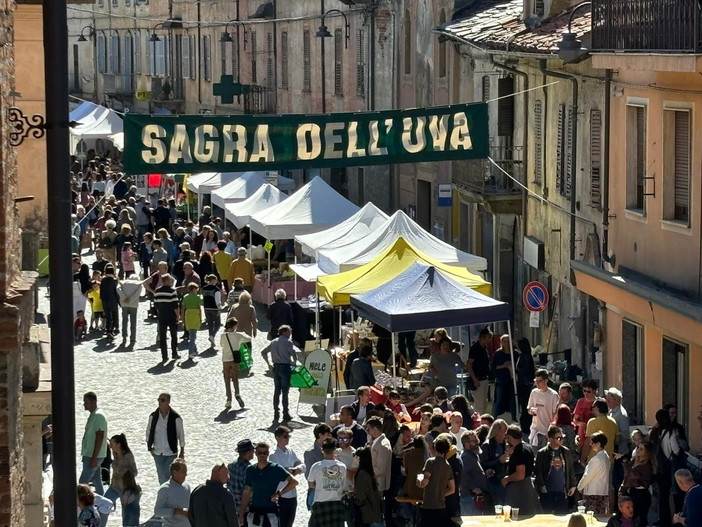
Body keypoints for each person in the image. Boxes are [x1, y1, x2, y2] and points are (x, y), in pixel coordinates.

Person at [238, 441, 298, 527]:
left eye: (265, 453)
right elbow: (247, 492)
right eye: (259, 453)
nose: (262, 455)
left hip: (270, 513)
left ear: (268, 453)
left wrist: (279, 494)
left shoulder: (276, 468)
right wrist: (241, 514)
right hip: (255, 512)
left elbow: (294, 482)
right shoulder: (250, 469)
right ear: (255, 453)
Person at [651, 407, 686, 527]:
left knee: (663, 496)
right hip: (670, 468)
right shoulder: (670, 433)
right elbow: (675, 451)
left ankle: (663, 520)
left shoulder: (656, 432)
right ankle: (677, 520)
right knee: (677, 495)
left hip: (659, 468)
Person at [261, 325, 300, 422]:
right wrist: (294, 362)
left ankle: (276, 413)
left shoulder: (274, 342)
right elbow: (293, 354)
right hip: (285, 368)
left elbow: (263, 352)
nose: (290, 334)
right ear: (284, 332)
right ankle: (285, 413)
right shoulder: (288, 342)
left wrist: (268, 364)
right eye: (289, 332)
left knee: (277, 391)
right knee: (285, 392)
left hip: (276, 367)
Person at [534, 426, 577, 514]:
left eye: (562, 437)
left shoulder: (566, 452)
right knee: (547, 518)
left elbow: (570, 469)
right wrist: (542, 486)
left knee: (562, 518)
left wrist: (573, 485)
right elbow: (538, 472)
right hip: (547, 492)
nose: (561, 440)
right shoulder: (542, 453)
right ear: (550, 439)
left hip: (562, 492)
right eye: (558, 438)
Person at [146, 393, 186, 485]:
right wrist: (149, 446)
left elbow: (181, 434)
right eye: (159, 399)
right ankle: (166, 495)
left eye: (162, 400)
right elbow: (148, 431)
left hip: (170, 452)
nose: (160, 402)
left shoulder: (175, 418)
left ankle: (169, 495)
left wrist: (182, 451)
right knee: (161, 476)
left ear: (168, 402)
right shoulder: (153, 416)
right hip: (157, 452)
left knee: (168, 476)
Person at [501, 424, 541, 515]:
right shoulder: (528, 447)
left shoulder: (520, 451)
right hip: (528, 486)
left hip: (519, 489)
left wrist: (506, 479)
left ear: (510, 437)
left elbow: (520, 474)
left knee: (518, 516)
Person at [307, 438, 347, 527]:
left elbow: (311, 485)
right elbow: (343, 486)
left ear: (322, 450)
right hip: (336, 504)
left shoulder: (316, 467)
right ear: (335, 450)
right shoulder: (342, 467)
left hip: (320, 503)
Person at [269, 426, 305, 527]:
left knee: (290, 522)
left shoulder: (290, 451)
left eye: (288, 436)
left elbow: (302, 465)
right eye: (285, 436)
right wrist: (292, 470)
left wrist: (296, 469)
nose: (288, 438)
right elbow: (280, 473)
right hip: (282, 495)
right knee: (282, 523)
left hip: (293, 495)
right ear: (277, 438)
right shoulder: (273, 455)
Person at [416, 434, 455, 525]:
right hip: (441, 507)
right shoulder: (448, 466)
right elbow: (452, 489)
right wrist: (439, 494)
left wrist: (418, 480)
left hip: (428, 506)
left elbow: (424, 483)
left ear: (435, 448)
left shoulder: (430, 462)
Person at [188, 463, 238, 527]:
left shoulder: (197, 490)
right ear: (218, 473)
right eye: (226, 474)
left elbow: (190, 515)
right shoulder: (226, 495)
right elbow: (233, 522)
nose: (228, 477)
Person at [80, 392, 108, 496]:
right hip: (90, 454)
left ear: (93, 402)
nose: (84, 404)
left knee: (83, 481)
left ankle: (79, 505)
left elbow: (99, 437)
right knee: (97, 481)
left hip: (93, 455)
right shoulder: (93, 415)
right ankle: (103, 503)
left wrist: (94, 457)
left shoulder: (99, 416)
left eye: (86, 402)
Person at [220, 317, 251, 409]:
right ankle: (237, 393)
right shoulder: (239, 335)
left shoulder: (223, 336)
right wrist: (242, 334)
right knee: (235, 378)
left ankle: (229, 400)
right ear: (234, 326)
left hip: (225, 359)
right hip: (234, 360)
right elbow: (249, 339)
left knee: (226, 380)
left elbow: (222, 345)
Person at [577, 431, 611, 515]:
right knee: (601, 516)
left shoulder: (596, 459)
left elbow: (587, 476)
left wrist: (580, 487)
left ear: (598, 444)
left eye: (592, 442)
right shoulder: (606, 457)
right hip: (603, 492)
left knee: (591, 517)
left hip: (593, 493)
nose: (590, 444)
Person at [621, 441, 653, 523]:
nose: (638, 450)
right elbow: (627, 476)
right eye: (638, 448)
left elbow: (633, 475)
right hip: (632, 491)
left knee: (640, 518)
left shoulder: (646, 466)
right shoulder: (633, 461)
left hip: (641, 494)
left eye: (641, 449)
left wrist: (626, 465)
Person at [104, 434, 138, 512]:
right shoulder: (114, 453)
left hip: (125, 489)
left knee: (126, 513)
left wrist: (122, 471)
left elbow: (135, 472)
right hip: (114, 486)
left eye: (112, 444)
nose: (110, 446)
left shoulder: (128, 455)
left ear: (118, 445)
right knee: (104, 505)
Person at [605, 387, 630, 494]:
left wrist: (615, 435)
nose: (607, 402)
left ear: (615, 400)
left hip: (620, 452)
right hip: (613, 451)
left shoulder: (621, 414)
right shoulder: (612, 411)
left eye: (608, 400)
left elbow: (625, 434)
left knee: (618, 480)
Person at [527, 368, 560, 448]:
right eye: (536, 381)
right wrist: (531, 411)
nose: (537, 383)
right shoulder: (534, 392)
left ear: (546, 381)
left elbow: (555, 414)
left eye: (539, 381)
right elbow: (529, 408)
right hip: (535, 429)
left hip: (547, 431)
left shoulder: (553, 395)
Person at [154, 458, 191, 527]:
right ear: (174, 472)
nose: (186, 474)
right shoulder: (165, 489)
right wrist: (177, 511)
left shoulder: (187, 486)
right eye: (183, 471)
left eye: (186, 471)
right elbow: (157, 511)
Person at [459, 431, 489, 516]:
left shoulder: (473, 455)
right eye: (474, 441)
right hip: (469, 497)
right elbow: (463, 475)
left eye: (477, 440)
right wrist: (473, 488)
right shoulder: (466, 457)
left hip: (474, 497)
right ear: (466, 444)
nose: (477, 443)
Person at [480, 418, 509, 504]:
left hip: (504, 479)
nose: (506, 434)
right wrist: (499, 461)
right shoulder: (487, 445)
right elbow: (483, 464)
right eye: (504, 430)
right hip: (493, 481)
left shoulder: (505, 444)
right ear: (497, 431)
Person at [582, 398, 619, 464]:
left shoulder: (592, 422)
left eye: (593, 407)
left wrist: (583, 459)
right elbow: (617, 440)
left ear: (597, 408)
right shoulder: (613, 421)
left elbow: (588, 442)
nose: (592, 409)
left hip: (595, 459)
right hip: (609, 459)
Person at [354, 446, 383, 527]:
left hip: (366, 511)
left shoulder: (362, 473)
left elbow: (361, 494)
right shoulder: (369, 472)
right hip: (373, 509)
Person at [490, 335, 517, 420]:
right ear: (501, 343)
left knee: (513, 400)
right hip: (501, 380)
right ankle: (493, 418)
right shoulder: (498, 353)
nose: (506, 343)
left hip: (512, 381)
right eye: (504, 341)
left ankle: (514, 418)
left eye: (508, 341)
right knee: (498, 400)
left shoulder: (515, 353)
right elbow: (493, 367)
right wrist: (504, 366)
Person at [154, 274, 180, 362]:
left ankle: (164, 356)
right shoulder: (172, 291)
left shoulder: (157, 291)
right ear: (166, 281)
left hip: (161, 316)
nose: (171, 282)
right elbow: (175, 305)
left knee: (162, 336)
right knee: (173, 335)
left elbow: (156, 304)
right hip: (171, 316)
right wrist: (178, 316)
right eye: (170, 280)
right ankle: (174, 353)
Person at [466, 327, 492, 413]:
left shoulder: (484, 348)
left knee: (484, 404)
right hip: (478, 379)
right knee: (479, 406)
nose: (489, 340)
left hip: (484, 378)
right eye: (488, 338)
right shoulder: (475, 348)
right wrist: (474, 379)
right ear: (483, 337)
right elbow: (469, 364)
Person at [228, 439, 255, 513]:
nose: (254, 452)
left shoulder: (231, 465)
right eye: (253, 450)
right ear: (248, 452)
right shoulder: (249, 469)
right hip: (244, 510)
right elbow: (249, 493)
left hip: (232, 507)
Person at [116, 273, 142, 346]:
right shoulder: (139, 284)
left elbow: (118, 288)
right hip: (133, 305)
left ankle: (124, 336)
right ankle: (132, 338)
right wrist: (130, 300)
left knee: (124, 321)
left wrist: (124, 298)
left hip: (124, 304)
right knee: (133, 322)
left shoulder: (124, 282)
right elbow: (137, 294)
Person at [574, 379, 599, 445]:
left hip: (594, 434)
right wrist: (580, 423)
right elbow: (575, 419)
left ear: (594, 391)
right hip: (581, 435)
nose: (586, 393)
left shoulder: (598, 402)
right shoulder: (580, 401)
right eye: (584, 391)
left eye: (588, 391)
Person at [201, 274, 222, 348]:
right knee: (217, 324)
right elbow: (217, 300)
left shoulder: (203, 288)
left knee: (210, 324)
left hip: (206, 308)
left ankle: (211, 339)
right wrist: (219, 308)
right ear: (213, 280)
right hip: (214, 308)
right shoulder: (216, 289)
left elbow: (202, 298)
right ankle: (212, 335)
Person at [100, 264, 119, 338]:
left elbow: (101, 291)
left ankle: (108, 331)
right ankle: (111, 330)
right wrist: (119, 302)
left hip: (104, 301)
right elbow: (116, 292)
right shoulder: (114, 281)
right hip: (113, 300)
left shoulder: (103, 280)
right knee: (115, 316)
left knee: (108, 317)